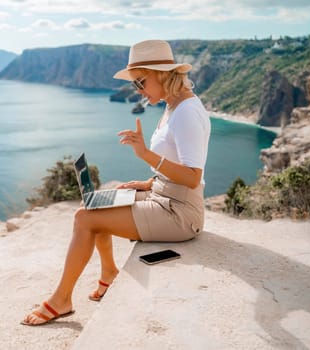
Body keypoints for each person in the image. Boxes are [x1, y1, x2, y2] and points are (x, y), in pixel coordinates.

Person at [21, 39, 211, 326]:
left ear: (161, 74)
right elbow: (179, 167)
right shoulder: (174, 105)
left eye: (141, 82)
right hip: (164, 196)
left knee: (85, 218)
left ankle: (61, 301)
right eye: (136, 84)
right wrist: (149, 183)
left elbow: (194, 177)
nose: (139, 90)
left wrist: (146, 153)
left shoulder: (185, 113)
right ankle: (109, 275)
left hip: (180, 213)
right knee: (97, 203)